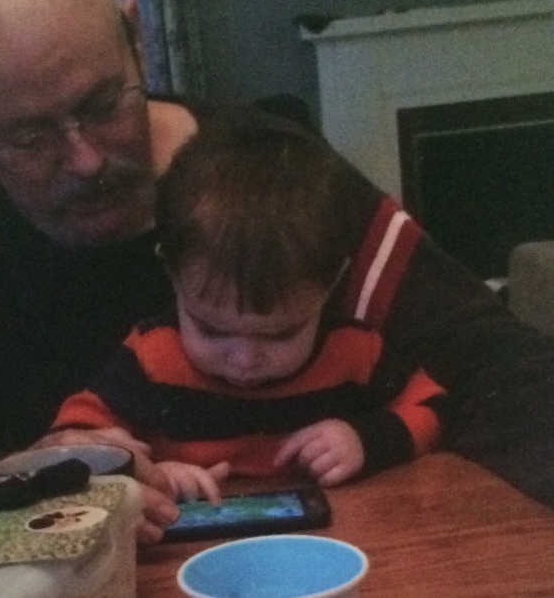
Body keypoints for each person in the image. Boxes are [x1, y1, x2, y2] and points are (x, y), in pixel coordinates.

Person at [0, 0, 551, 545]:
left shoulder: (274, 183)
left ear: (135, 38)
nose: (86, 158)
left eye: (103, 102)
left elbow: (501, 368)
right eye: (28, 135)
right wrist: (5, 476)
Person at [51, 112, 447, 504]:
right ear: (172, 276)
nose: (244, 360)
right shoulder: (152, 357)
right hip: (186, 549)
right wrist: (148, 475)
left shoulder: (353, 351)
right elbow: (74, 441)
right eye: (211, 329)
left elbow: (433, 406)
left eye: (280, 333)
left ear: (332, 283)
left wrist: (367, 441)